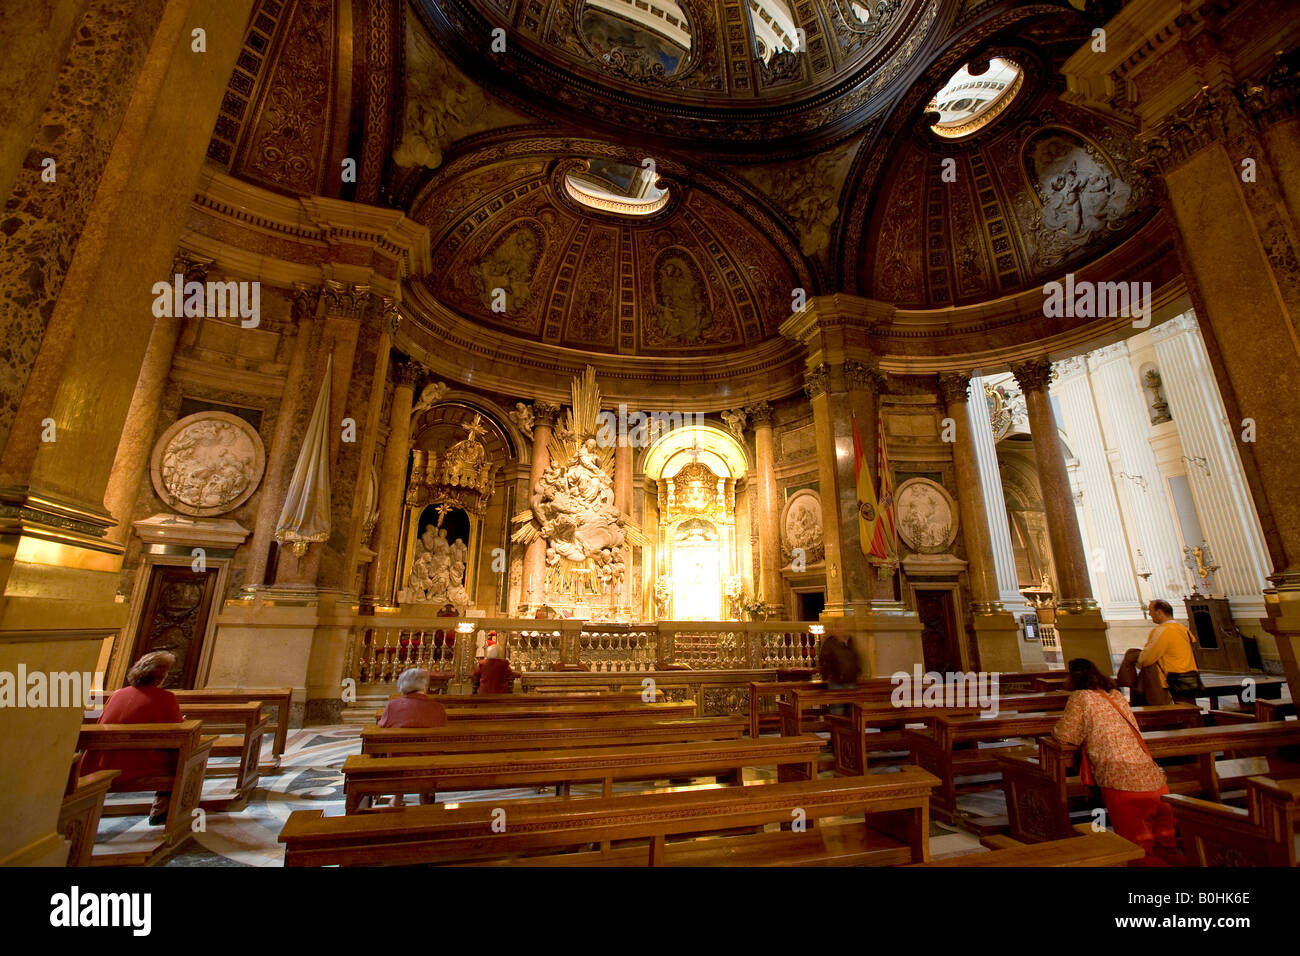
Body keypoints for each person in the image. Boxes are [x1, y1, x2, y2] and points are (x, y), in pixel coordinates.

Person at [1052, 658, 1179, 866]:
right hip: (1153, 778)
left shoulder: (1080, 697)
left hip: (1120, 779)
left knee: (1136, 852)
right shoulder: (1117, 695)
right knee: (1166, 847)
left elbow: (1066, 735)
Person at [81, 651, 183, 826]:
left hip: (99, 761)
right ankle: (162, 807)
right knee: (183, 755)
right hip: (136, 764)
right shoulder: (166, 698)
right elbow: (178, 733)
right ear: (161, 676)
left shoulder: (118, 694)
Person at [1138, 599, 1202, 701]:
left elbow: (1146, 659)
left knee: (1178, 713)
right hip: (1191, 678)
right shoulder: (1183, 628)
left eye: (1150, 610)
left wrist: (1139, 659)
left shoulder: (1161, 631)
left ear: (1159, 612)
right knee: (1191, 710)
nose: (1149, 614)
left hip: (1173, 680)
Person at [377, 668, 447, 728]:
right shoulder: (438, 708)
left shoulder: (392, 706)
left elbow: (381, 726)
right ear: (424, 687)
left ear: (401, 686)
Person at [818, 631, 861, 716]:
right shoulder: (830, 643)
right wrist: (829, 675)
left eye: (843, 627)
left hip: (850, 681)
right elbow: (823, 660)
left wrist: (857, 672)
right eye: (838, 627)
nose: (841, 629)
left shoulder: (850, 642)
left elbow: (856, 658)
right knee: (837, 713)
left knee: (851, 713)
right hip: (836, 682)